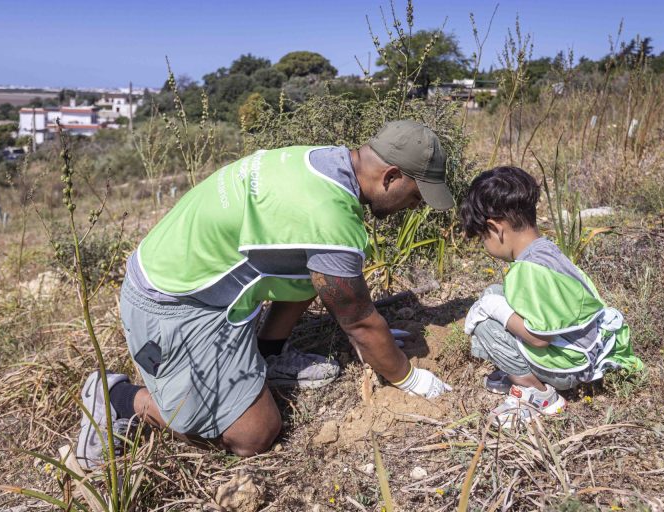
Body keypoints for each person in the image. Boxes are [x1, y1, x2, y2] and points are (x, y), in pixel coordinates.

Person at [76, 120, 455, 468]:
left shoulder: (320, 161)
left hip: (188, 275)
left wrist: (370, 335)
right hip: (171, 304)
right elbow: (358, 320)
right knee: (253, 434)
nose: (416, 205)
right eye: (417, 195)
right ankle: (117, 398)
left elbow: (341, 292)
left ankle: (269, 354)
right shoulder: (328, 217)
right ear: (391, 176)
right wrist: (406, 377)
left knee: (319, 266)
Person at [460, 166, 643, 428]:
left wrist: (493, 310)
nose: (484, 245)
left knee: (486, 322)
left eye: (482, 237)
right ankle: (518, 370)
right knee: (494, 294)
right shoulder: (545, 250)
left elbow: (538, 337)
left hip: (571, 365)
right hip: (589, 348)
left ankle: (536, 394)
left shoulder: (527, 272)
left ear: (495, 228)